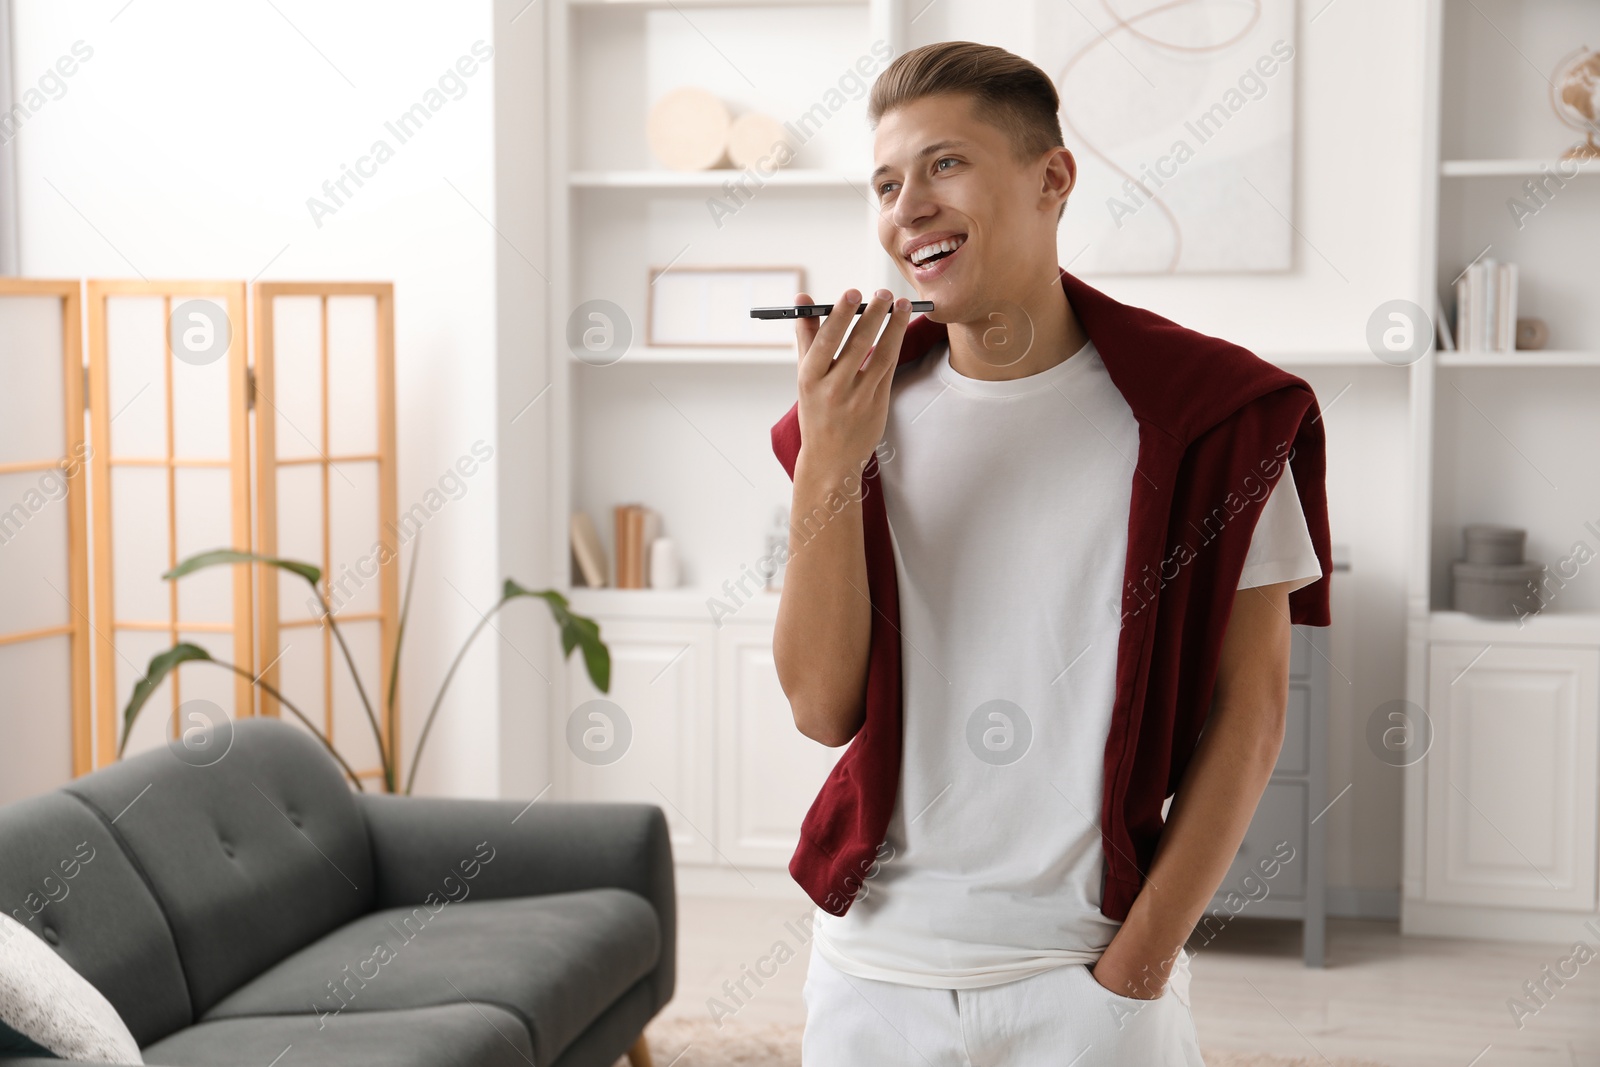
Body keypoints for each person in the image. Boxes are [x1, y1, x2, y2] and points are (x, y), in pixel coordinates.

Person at [769, 40, 1332, 1066]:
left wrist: (1141, 961)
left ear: (1051, 178)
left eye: (944, 165)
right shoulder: (856, 418)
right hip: (869, 975)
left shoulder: (1215, 421)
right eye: (886, 183)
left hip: (1088, 975)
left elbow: (1249, 709)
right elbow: (820, 707)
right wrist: (830, 466)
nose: (908, 208)